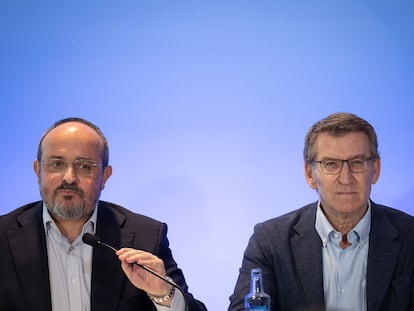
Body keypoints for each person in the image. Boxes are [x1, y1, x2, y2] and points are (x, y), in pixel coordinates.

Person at [0, 117, 207, 311]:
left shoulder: (146, 236)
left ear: (105, 176)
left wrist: (163, 294)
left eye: (84, 166)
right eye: (57, 164)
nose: (69, 178)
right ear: (38, 171)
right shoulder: (3, 236)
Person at [228, 112, 414, 311]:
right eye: (331, 164)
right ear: (309, 174)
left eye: (357, 163)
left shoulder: (410, 237)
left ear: (375, 169)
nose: (346, 178)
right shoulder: (270, 241)